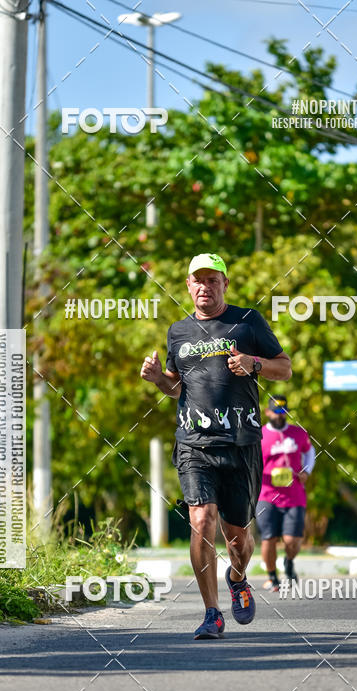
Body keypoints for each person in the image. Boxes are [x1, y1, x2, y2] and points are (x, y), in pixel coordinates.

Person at [140, 252, 291, 639]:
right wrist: (159, 378)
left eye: (213, 280)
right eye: (198, 280)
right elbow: (178, 387)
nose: (205, 287)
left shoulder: (247, 322)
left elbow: (285, 368)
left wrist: (252, 363)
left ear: (225, 283)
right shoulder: (178, 332)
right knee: (200, 520)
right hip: (194, 444)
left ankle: (237, 577)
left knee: (237, 540)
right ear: (188, 286)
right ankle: (212, 613)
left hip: (241, 444)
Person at [255, 395, 315, 591]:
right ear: (267, 412)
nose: (280, 417)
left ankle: (289, 562)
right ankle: (272, 577)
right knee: (268, 538)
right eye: (276, 412)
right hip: (267, 495)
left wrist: (307, 470)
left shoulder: (298, 433)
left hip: (294, 495)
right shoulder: (259, 436)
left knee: (292, 541)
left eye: (283, 412)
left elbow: (309, 451)